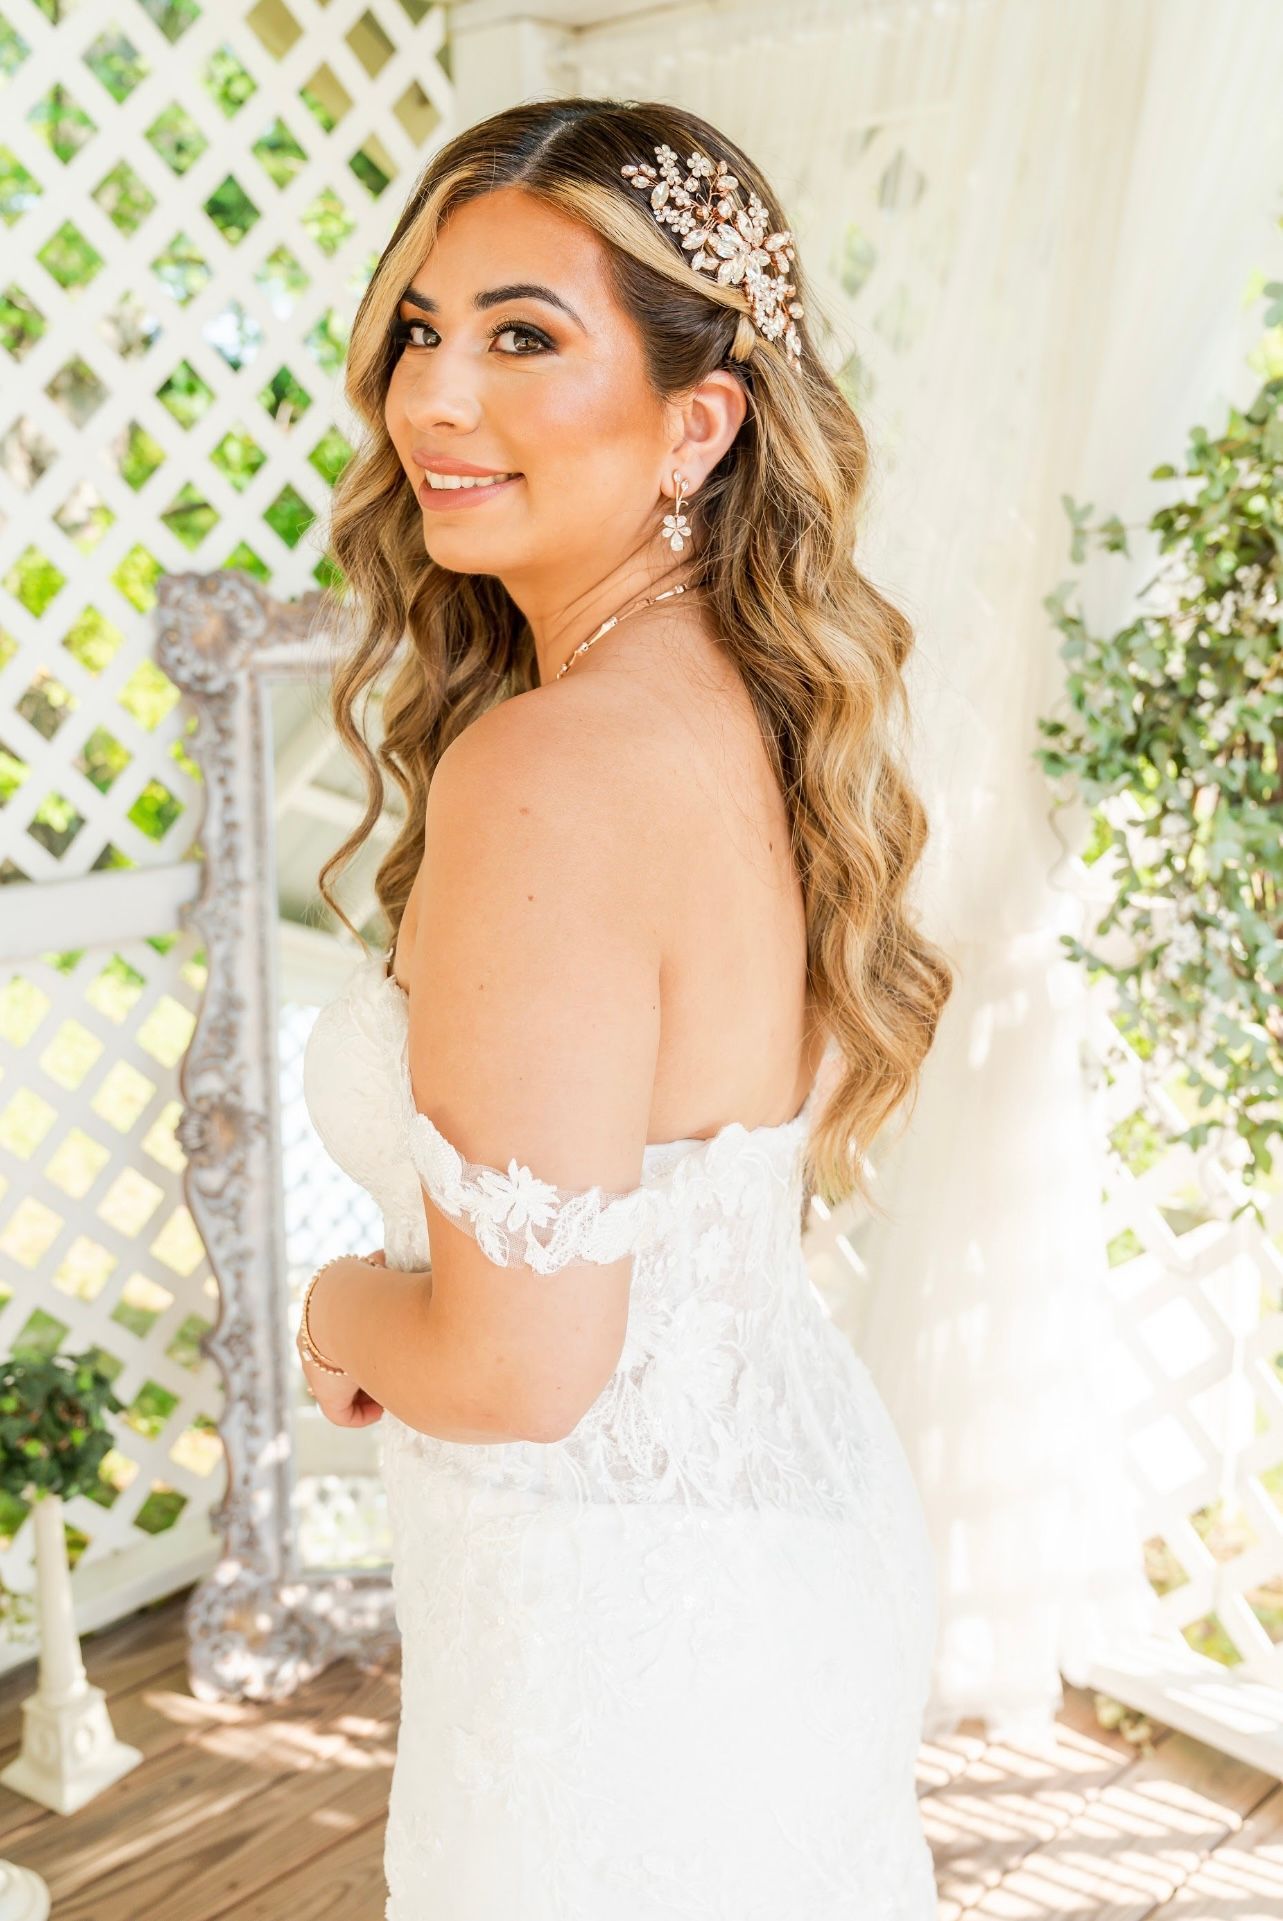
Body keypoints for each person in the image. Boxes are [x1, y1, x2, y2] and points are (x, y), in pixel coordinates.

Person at [295, 94, 954, 1920]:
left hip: (618, 1658)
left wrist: (334, 1306)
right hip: (777, 1544)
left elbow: (520, 1361)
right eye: (419, 331)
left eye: (524, 338)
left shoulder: (552, 770)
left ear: (699, 420)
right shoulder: (762, 706)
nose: (432, 399)